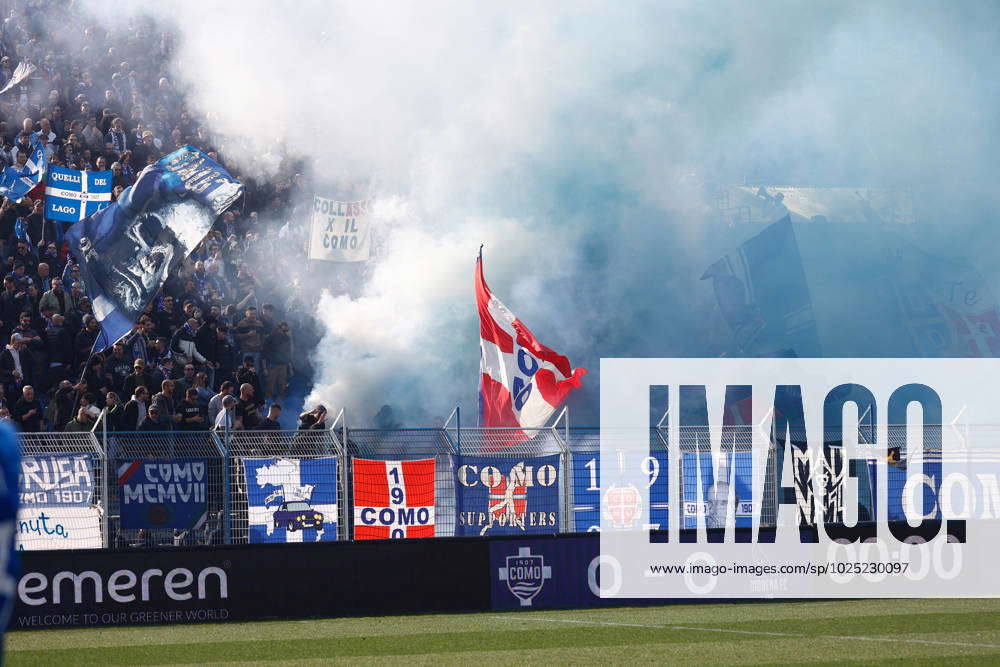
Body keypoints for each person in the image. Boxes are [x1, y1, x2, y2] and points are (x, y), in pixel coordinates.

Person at [263, 321, 292, 403]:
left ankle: (281, 401)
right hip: (273, 364)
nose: (286, 332)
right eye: (284, 330)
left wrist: (289, 366)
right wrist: (264, 367)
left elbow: (288, 353)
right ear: (279, 329)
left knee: (282, 384)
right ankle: (268, 402)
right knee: (270, 384)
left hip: (283, 364)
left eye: (287, 330)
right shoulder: (271, 337)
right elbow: (264, 352)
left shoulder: (287, 338)